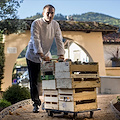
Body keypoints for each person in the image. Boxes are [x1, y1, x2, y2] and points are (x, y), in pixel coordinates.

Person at [25, 4, 64, 113]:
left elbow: (59, 39)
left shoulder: (55, 25)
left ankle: (50, 102)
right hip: (33, 55)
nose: (50, 15)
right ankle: (36, 104)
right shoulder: (36, 23)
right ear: (43, 13)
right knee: (34, 81)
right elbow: (35, 40)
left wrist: (61, 55)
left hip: (46, 55)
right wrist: (41, 55)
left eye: (52, 13)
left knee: (50, 79)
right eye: (48, 13)